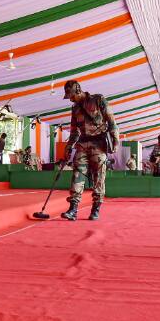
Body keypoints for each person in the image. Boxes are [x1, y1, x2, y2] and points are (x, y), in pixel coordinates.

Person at [59, 80, 119, 221]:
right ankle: (73, 209)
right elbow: (74, 132)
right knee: (77, 174)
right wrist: (68, 147)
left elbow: (111, 122)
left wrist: (115, 140)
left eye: (72, 95)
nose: (71, 99)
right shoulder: (75, 109)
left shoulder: (98, 100)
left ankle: (95, 208)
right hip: (82, 144)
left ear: (78, 90)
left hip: (99, 143)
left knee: (99, 177)